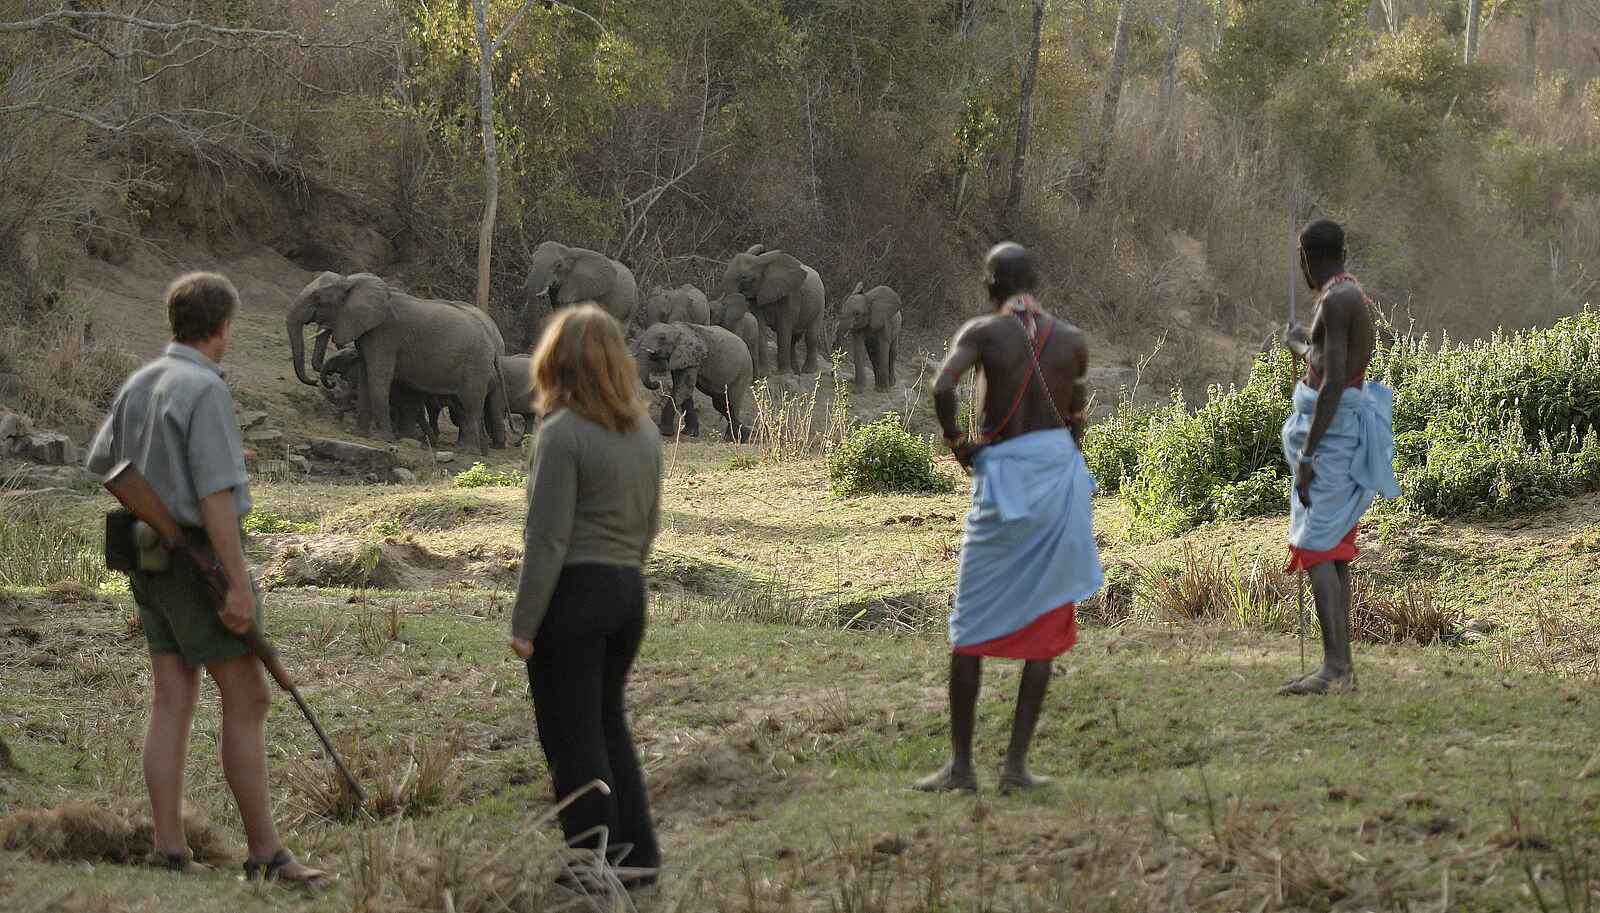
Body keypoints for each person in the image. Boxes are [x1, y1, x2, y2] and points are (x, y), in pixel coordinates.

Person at [85, 272, 325, 884]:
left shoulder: (143, 380)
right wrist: (237, 585)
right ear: (222, 328)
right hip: (199, 564)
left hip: (150, 562)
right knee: (248, 698)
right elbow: (215, 496)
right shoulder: (204, 389)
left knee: (172, 696)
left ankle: (169, 848)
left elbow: (105, 464)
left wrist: (160, 522)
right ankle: (266, 854)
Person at [919, 242, 1105, 793]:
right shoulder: (1073, 340)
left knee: (970, 623)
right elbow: (1076, 414)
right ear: (1035, 283)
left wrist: (957, 442)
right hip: (1056, 477)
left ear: (991, 285)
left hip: (1001, 478)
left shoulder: (983, 332)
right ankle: (1015, 767)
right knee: (1046, 618)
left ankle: (961, 767)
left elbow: (943, 385)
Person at [509, 303, 663, 887]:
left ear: (555, 362)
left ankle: (593, 862)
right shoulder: (645, 433)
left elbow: (547, 538)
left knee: (571, 735)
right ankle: (636, 856)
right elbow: (649, 525)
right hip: (627, 591)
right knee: (607, 723)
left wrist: (525, 622)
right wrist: (621, 582)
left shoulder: (561, 433)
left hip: (575, 594)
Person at [1278, 220, 1400, 695]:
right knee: (1331, 548)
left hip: (1330, 438)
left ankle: (1334, 668)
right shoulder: (1348, 294)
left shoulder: (1335, 300)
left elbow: (1331, 384)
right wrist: (1298, 341)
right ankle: (1341, 666)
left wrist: (1308, 457)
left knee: (1315, 547)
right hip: (1337, 431)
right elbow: (1325, 358)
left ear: (1306, 259)